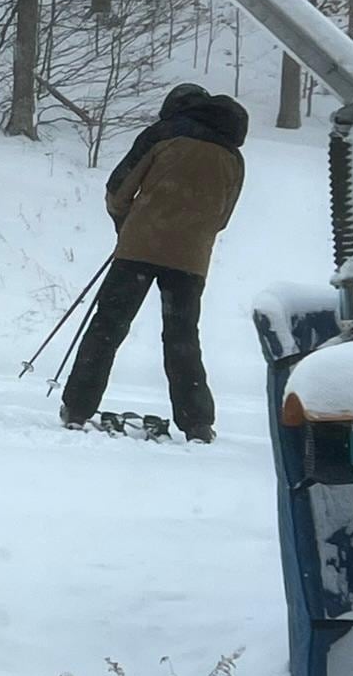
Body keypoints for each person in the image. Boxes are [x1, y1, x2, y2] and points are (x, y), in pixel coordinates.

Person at [60, 82, 247, 442]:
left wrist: (128, 225)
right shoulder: (233, 156)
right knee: (182, 338)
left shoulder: (163, 134)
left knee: (107, 328)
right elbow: (222, 217)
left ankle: (78, 407)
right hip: (191, 260)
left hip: (139, 250)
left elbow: (118, 189)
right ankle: (197, 423)